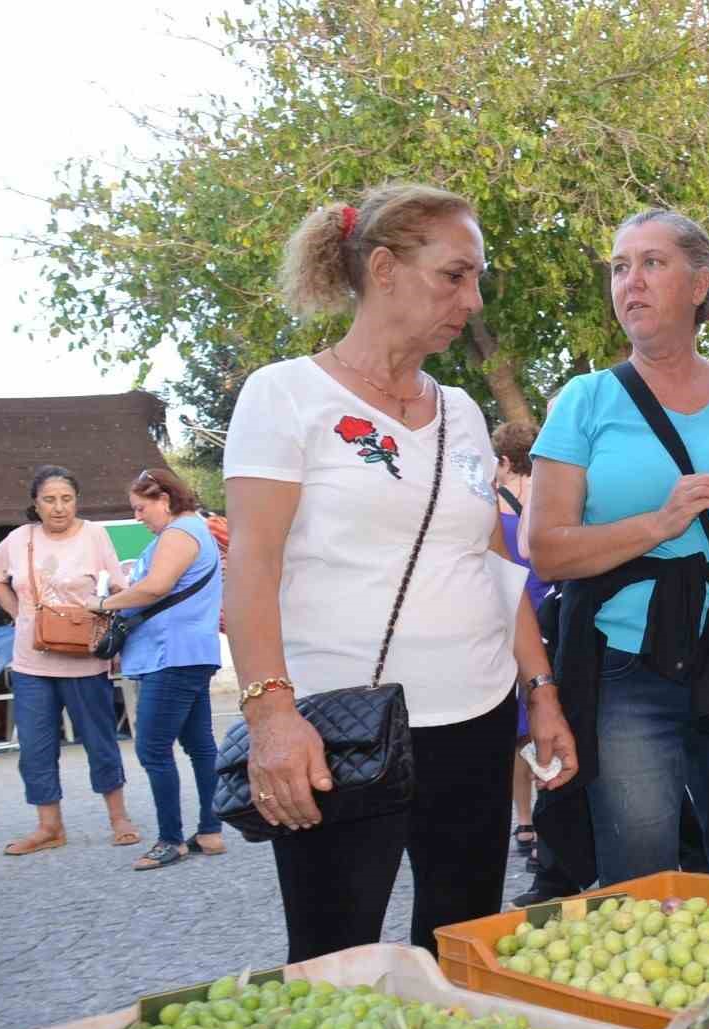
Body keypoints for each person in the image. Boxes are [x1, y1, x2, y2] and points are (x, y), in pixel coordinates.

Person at [223, 183, 577, 961]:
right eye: (454, 275)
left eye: (476, 278)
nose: (472, 299)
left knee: (463, 945)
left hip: (476, 718)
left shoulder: (463, 411)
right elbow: (252, 563)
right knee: (334, 955)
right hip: (343, 728)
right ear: (383, 268)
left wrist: (540, 691)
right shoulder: (284, 395)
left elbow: (492, 560)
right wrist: (272, 717)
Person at [528, 207, 709, 886]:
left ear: (699, 285)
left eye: (651, 263)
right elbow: (544, 549)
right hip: (628, 668)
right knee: (642, 882)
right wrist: (657, 524)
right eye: (620, 266)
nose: (630, 281)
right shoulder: (585, 399)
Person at [0, 466, 136, 855]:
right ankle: (49, 827)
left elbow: (118, 586)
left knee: (100, 740)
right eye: (49, 499)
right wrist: (17, 612)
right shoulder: (20, 538)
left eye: (66, 498)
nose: (59, 507)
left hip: (83, 660)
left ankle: (119, 818)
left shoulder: (95, 535)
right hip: (32, 662)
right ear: (36, 504)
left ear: (76, 500)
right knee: (35, 746)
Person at [89, 469, 224, 870]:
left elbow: (155, 588)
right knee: (200, 746)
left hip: (171, 655)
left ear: (165, 499)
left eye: (141, 508)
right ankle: (209, 831)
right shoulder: (193, 531)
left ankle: (170, 839)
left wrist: (101, 605)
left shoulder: (179, 534)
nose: (139, 517)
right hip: (189, 651)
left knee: (152, 748)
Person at [491, 421, 552, 865]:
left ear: (506, 461)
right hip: (549, 621)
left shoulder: (493, 506)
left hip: (508, 625)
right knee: (547, 722)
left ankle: (525, 820)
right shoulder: (549, 494)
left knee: (518, 733)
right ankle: (550, 819)